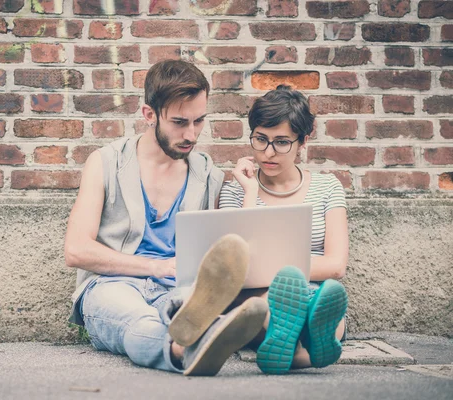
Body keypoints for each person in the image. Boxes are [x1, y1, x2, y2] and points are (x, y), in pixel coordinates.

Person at [64, 60, 268, 376]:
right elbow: (76, 250)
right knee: (137, 320)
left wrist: (249, 190)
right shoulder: (105, 162)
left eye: (199, 121)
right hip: (112, 286)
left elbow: (223, 250)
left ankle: (211, 330)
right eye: (179, 122)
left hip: (177, 290)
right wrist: (154, 266)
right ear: (149, 115)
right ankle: (182, 348)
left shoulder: (207, 174)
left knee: (189, 305)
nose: (191, 133)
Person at [219, 85, 349, 374]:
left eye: (281, 142)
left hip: (314, 292)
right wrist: (250, 191)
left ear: (303, 141)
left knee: (324, 303)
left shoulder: (328, 188)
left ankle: (300, 343)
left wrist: (272, 267)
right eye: (260, 139)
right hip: (258, 295)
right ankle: (307, 353)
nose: (268, 152)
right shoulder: (235, 191)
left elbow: (336, 265)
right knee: (264, 302)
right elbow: (237, 266)